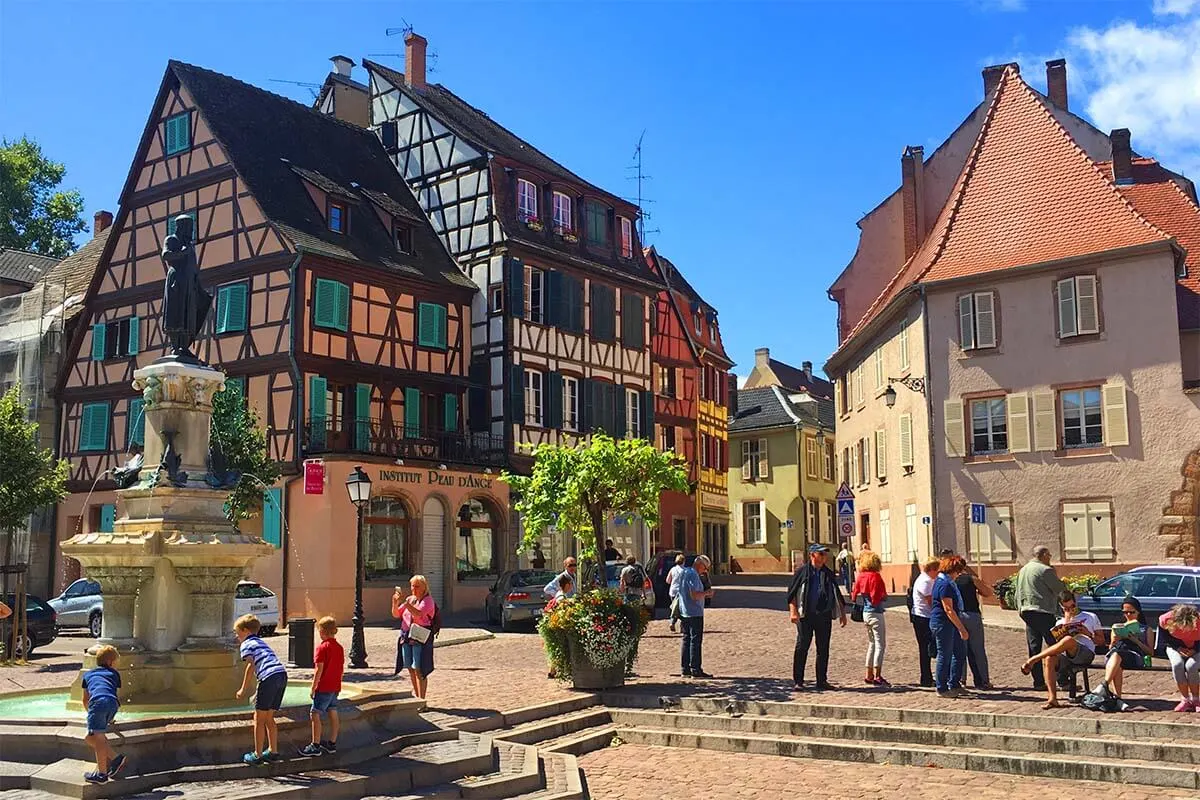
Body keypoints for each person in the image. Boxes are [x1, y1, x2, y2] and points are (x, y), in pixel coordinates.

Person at [1019, 590, 1102, 709]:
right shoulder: (1060, 622)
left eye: (1072, 606)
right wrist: (1067, 622)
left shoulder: (1090, 617)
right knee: (1049, 658)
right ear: (1061, 607)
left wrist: (1087, 633)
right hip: (1066, 656)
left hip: (1085, 653)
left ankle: (1034, 659)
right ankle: (1052, 699)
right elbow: (1057, 645)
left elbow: (1101, 641)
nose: (1071, 610)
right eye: (1066, 608)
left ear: (1076, 603)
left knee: (1069, 640)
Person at [786, 544, 848, 691]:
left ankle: (822, 681)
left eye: (825, 554)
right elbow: (792, 594)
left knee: (823, 648)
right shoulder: (802, 572)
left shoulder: (828, 573)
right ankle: (798, 680)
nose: (824, 557)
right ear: (812, 555)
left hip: (824, 615)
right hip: (805, 615)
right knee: (802, 647)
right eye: (821, 554)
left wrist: (842, 614)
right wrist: (793, 612)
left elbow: (836, 593)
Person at [234, 613, 288, 764]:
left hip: (269, 677)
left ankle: (257, 755)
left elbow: (251, 666)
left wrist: (243, 689)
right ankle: (273, 750)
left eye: (238, 633)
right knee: (269, 717)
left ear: (245, 630)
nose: (237, 637)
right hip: (281, 675)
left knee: (258, 718)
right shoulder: (260, 642)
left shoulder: (246, 644)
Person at [1014, 545, 1067, 691]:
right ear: (1043, 555)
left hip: (1027, 611)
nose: (1050, 558)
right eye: (1049, 555)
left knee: (1034, 647)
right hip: (1043, 611)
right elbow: (1059, 588)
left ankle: (1038, 682)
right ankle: (1063, 680)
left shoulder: (1023, 569)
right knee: (1056, 645)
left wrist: (1019, 609)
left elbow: (1017, 591)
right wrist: (1064, 584)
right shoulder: (1045, 570)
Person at [81, 645, 127, 784]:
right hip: (113, 703)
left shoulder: (88, 675)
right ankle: (115, 758)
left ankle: (102, 775)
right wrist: (109, 718)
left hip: (97, 703)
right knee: (89, 738)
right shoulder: (114, 674)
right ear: (110, 663)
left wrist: (92, 713)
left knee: (98, 738)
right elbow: (112, 694)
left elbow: (85, 700)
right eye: (116, 663)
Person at [1097, 596, 1154, 707]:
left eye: (1131, 612)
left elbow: (1150, 652)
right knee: (1116, 659)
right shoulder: (1117, 626)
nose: (1128, 615)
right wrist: (1114, 640)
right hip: (1115, 654)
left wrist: (1136, 640)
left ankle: (1104, 685)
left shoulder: (1146, 629)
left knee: (1117, 656)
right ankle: (1118, 699)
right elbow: (1110, 647)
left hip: (1134, 655)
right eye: (1125, 612)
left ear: (1138, 612)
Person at [300, 616, 344, 756]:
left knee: (315, 713)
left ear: (322, 631)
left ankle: (315, 745)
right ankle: (332, 743)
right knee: (333, 711)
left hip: (324, 686)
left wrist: (314, 687)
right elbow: (341, 668)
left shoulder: (322, 648)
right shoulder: (339, 647)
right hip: (335, 686)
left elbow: (319, 669)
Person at [929, 555, 970, 698]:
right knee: (944, 655)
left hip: (950, 623)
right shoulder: (944, 584)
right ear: (952, 570)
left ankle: (955, 683)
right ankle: (942, 687)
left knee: (959, 653)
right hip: (943, 623)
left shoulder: (948, 582)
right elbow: (948, 609)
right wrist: (962, 628)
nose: (958, 575)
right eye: (958, 572)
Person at [392, 575, 436, 699]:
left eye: (417, 586)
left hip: (419, 637)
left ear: (424, 588)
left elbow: (418, 614)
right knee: (410, 667)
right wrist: (395, 603)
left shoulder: (428, 601)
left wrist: (405, 603)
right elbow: (396, 614)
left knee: (419, 669)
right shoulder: (410, 599)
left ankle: (422, 698)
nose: (414, 589)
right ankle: (417, 697)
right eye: (412, 586)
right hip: (406, 636)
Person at [671, 554, 714, 678]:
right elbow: (694, 595)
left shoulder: (685, 572)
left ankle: (685, 669)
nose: (705, 571)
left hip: (685, 610)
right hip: (693, 612)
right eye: (705, 568)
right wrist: (707, 593)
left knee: (686, 639)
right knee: (695, 640)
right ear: (700, 565)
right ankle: (695, 668)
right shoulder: (693, 575)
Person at [851, 550, 889, 686]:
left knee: (872, 643)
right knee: (880, 644)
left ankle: (868, 674)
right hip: (876, 612)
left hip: (865, 613)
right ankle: (878, 675)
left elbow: (854, 594)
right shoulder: (875, 576)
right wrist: (883, 597)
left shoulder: (861, 576)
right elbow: (879, 596)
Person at [955, 561, 994, 690]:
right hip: (972, 615)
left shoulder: (949, 581)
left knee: (960, 650)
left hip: (957, 616)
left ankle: (961, 679)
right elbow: (988, 592)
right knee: (978, 650)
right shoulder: (971, 579)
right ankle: (982, 680)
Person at [1160, 603, 1200, 711]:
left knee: (1191, 666)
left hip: (1196, 647)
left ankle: (1196, 699)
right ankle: (1185, 699)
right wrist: (1178, 648)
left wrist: (1195, 650)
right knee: (1177, 665)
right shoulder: (1165, 620)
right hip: (1175, 647)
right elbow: (1165, 639)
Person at [910, 559, 940, 687]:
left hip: (923, 616)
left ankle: (927, 677)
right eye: (937, 570)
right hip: (923, 618)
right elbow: (931, 601)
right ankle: (926, 678)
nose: (938, 573)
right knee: (926, 648)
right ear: (932, 569)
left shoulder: (925, 578)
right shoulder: (926, 581)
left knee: (926, 648)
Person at [666, 554, 686, 633]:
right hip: (682, 592)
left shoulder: (673, 569)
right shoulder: (685, 570)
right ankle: (682, 626)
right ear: (683, 561)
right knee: (682, 610)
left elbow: (668, 580)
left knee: (674, 607)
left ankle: (672, 622)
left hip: (673, 592)